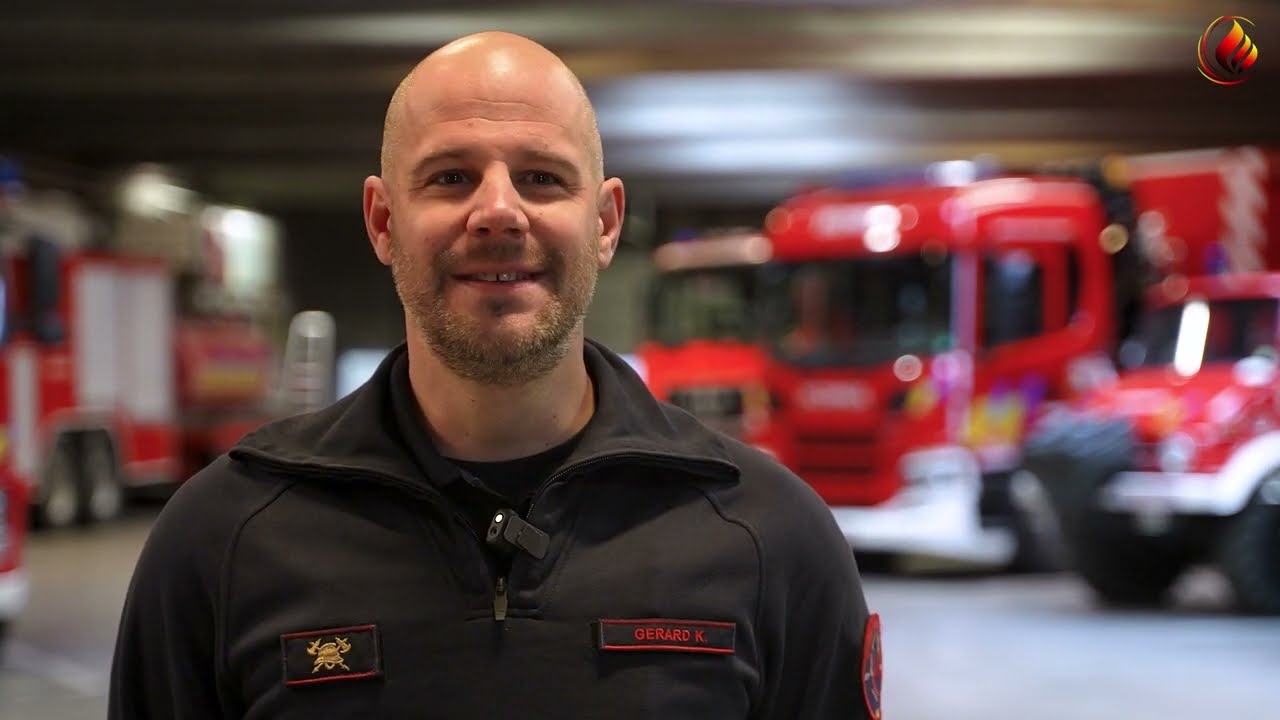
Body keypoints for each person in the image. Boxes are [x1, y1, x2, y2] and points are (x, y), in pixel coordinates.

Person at [109, 31, 880, 719]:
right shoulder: (225, 538)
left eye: (543, 178)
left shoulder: (770, 536)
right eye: (450, 177)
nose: (500, 211)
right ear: (383, 222)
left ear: (606, 224)